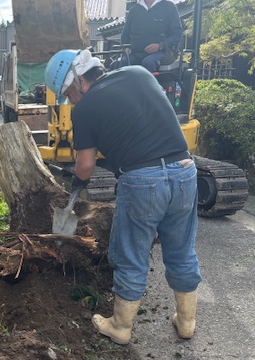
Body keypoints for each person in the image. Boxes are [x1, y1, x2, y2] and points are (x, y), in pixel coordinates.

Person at [44, 49, 201, 345]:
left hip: (143, 180)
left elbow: (86, 166)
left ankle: (120, 326)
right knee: (181, 250)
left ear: (78, 80)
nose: (71, 101)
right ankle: (186, 322)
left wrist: (77, 181)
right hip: (184, 171)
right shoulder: (138, 73)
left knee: (131, 254)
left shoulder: (85, 109)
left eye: (68, 94)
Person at [113, 0, 182, 72]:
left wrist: (160, 46)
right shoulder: (134, 11)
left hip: (161, 53)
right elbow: (125, 35)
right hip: (135, 54)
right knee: (116, 64)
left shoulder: (169, 7)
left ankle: (149, 81)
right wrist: (126, 47)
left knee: (148, 62)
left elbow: (177, 34)